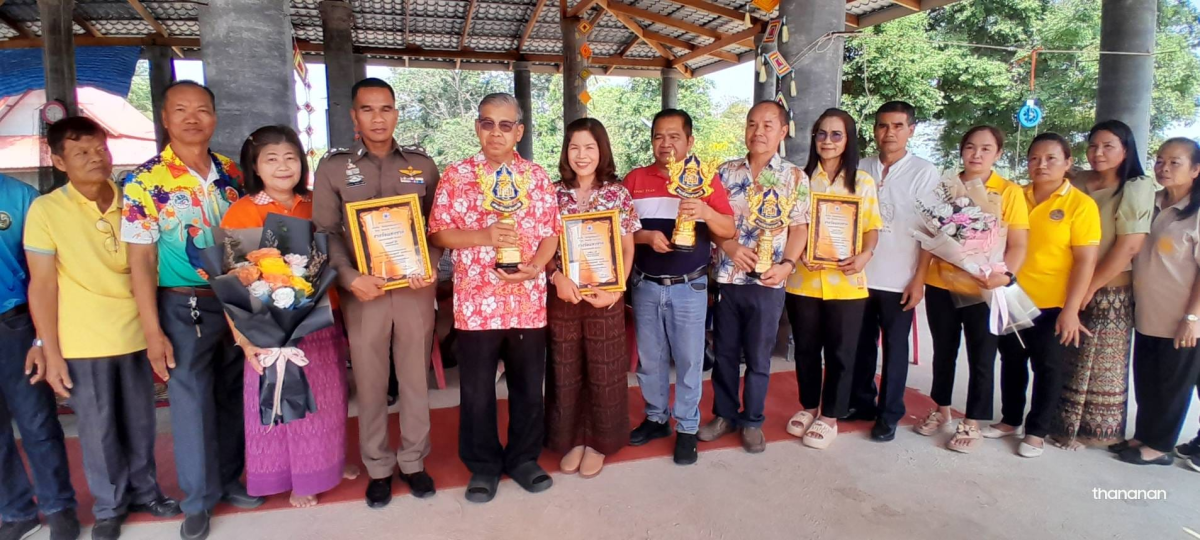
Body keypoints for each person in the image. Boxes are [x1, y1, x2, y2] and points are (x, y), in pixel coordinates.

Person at [24, 117, 180, 540]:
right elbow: (41, 284)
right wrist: (49, 348)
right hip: (82, 337)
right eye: (81, 153)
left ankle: (147, 492)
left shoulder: (133, 198)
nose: (96, 159)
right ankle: (110, 506)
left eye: (99, 149)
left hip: (135, 329)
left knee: (140, 420)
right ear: (58, 161)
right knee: (97, 428)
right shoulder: (46, 210)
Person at [120, 81, 260, 540]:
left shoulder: (231, 173)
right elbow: (139, 259)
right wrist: (151, 328)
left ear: (214, 118)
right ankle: (197, 501)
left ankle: (229, 480)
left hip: (234, 301)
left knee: (231, 392)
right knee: (190, 400)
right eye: (181, 110)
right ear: (164, 117)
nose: (192, 118)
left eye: (201, 110)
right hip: (183, 304)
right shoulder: (144, 181)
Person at [312, 78, 441, 508]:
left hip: (414, 290)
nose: (378, 117)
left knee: (413, 379)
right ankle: (379, 467)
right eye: (367, 109)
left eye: (386, 108)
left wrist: (431, 264)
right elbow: (325, 232)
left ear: (396, 113)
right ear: (354, 116)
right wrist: (348, 277)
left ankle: (413, 461)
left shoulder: (422, 166)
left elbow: (437, 228)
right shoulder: (333, 168)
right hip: (362, 291)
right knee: (368, 381)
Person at [428, 93, 561, 503]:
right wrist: (482, 236)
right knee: (478, 390)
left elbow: (550, 233)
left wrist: (537, 267)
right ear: (477, 128)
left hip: (526, 301)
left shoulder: (536, 177)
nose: (496, 132)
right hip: (475, 303)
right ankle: (483, 464)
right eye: (488, 123)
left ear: (519, 131)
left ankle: (523, 459)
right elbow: (437, 232)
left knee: (526, 386)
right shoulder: (457, 175)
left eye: (506, 125)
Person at [222, 125, 362, 507]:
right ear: (255, 166)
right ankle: (296, 476)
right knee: (283, 401)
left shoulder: (315, 204)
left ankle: (327, 465)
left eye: (290, 158)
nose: (283, 167)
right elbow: (234, 280)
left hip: (320, 318)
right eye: (271, 159)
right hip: (268, 329)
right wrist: (244, 335)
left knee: (327, 400)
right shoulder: (243, 210)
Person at [624, 109, 735, 465]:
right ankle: (656, 418)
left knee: (689, 361)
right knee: (650, 359)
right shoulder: (635, 179)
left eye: (674, 136)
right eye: (659, 136)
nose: (666, 143)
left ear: (689, 141)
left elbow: (729, 229)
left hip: (690, 286)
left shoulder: (705, 178)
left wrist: (704, 210)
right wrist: (645, 236)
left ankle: (687, 427)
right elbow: (620, 231)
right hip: (645, 284)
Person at [701, 101, 808, 453]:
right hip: (730, 278)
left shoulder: (795, 177)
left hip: (769, 282)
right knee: (726, 353)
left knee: (760, 358)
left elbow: (799, 228)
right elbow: (712, 222)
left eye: (767, 125)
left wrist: (788, 264)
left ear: (782, 131)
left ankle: (753, 421)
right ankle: (725, 415)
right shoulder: (725, 172)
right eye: (751, 124)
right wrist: (729, 246)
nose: (758, 132)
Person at [918, 126, 1029, 453]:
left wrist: (1005, 276)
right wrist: (919, 277)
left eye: (985, 149)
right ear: (961, 150)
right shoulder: (944, 187)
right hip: (940, 283)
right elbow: (928, 236)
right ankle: (942, 409)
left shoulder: (1008, 192)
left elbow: (1019, 244)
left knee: (982, 355)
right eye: (970, 147)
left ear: (998, 154)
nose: (976, 154)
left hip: (983, 287)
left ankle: (974, 421)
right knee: (943, 351)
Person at [991, 133, 1100, 458]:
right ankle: (1010, 420)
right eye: (1034, 158)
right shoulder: (1014, 195)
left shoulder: (1080, 205)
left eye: (1051, 158)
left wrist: (1072, 310)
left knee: (1048, 367)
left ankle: (1037, 430)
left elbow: (1086, 261)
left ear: (1068, 163)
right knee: (1011, 361)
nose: (1041, 164)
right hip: (1012, 296)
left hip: (1053, 302)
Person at [783, 108, 882, 451]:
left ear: (849, 139)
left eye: (836, 134)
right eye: (821, 134)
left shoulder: (863, 182)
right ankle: (809, 406)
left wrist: (865, 255)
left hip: (847, 283)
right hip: (803, 280)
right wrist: (797, 254)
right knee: (807, 350)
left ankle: (831, 416)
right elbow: (788, 226)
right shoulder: (798, 178)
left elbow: (871, 228)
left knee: (841, 353)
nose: (827, 141)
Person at [1052, 120, 1155, 450]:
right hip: (1068, 282)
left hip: (1110, 287)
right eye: (1093, 145)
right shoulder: (1078, 180)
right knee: (1067, 356)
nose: (1098, 153)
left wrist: (1090, 287)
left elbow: (1129, 246)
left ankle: (1095, 433)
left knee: (1099, 361)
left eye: (1108, 146)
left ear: (1126, 150)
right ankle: (1061, 424)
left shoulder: (1135, 186)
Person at [545, 118, 639, 478]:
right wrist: (555, 276)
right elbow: (544, 248)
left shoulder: (617, 194)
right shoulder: (552, 194)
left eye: (589, 147)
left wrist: (618, 290)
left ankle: (600, 441)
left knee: (605, 370)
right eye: (574, 147)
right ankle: (571, 439)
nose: (581, 155)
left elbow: (628, 248)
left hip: (605, 297)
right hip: (563, 296)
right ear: (565, 152)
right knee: (565, 368)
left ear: (602, 151)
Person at [848, 101, 939, 442]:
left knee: (895, 349)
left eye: (898, 126)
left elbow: (931, 231)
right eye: (883, 126)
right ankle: (861, 402)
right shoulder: (861, 167)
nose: (890, 133)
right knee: (861, 345)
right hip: (859, 274)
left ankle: (889, 414)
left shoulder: (924, 171)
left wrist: (920, 279)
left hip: (901, 276)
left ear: (911, 130)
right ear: (875, 129)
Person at [0, 173, 80, 540]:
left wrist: (40, 339)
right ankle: (16, 511)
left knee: (37, 422)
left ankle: (58, 506)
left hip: (15, 325)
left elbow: (44, 275)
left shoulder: (22, 197)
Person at [1117, 138, 1200, 467]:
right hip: (1148, 311)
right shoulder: (1151, 203)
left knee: (1172, 384)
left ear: (1196, 170)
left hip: (1180, 316)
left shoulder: (1195, 214)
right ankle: (1144, 435)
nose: (1164, 168)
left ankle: (1161, 445)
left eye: (1175, 162)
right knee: (1148, 377)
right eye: (1160, 160)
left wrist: (1192, 318)